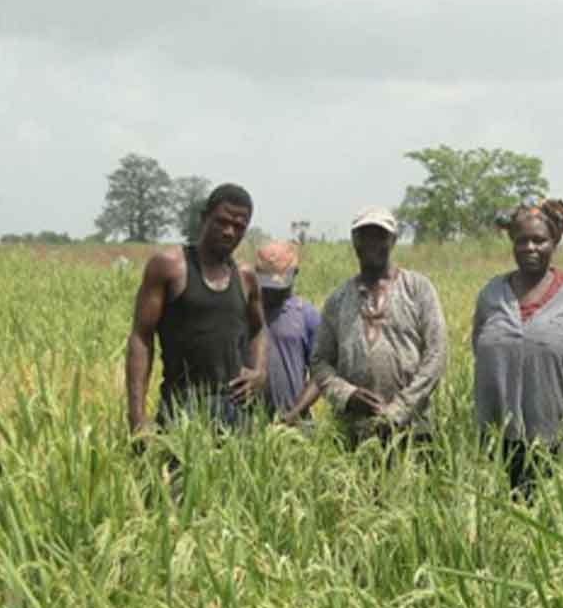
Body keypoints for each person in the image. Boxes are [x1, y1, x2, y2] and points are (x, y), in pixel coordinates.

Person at [474, 198, 563, 495]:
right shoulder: (491, 293)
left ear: (555, 243)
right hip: (497, 436)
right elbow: (480, 346)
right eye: (522, 241)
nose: (530, 248)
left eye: (539, 241)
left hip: (555, 437)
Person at [282, 207, 448, 445]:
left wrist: (398, 410)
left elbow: (436, 354)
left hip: (413, 429)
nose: (371, 243)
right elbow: (320, 362)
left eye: (379, 236)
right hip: (353, 432)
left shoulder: (418, 289)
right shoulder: (337, 300)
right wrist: (348, 395)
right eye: (364, 236)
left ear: (393, 240)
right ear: (354, 241)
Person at [125, 183, 267, 432]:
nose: (229, 232)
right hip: (183, 407)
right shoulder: (169, 267)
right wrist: (137, 419)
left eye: (238, 227)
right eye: (221, 222)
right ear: (204, 218)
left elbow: (259, 330)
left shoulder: (245, 277)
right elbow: (141, 337)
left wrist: (259, 372)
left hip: (235, 409)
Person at [252, 240, 323, 417]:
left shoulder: (307, 315)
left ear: (295, 273)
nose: (273, 292)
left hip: (294, 425)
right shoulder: (246, 313)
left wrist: (295, 413)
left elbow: (321, 374)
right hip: (248, 424)